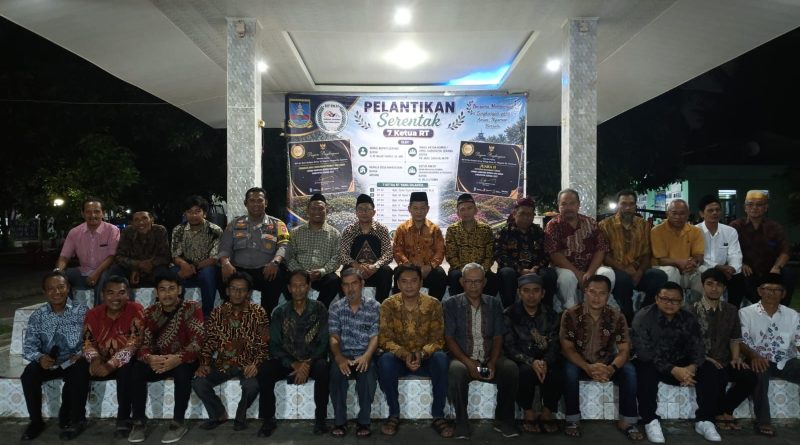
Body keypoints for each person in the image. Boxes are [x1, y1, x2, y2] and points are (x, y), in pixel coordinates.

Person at [632, 282, 721, 443]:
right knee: (644, 369)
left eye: (675, 300)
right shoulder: (643, 317)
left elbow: (698, 346)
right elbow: (644, 353)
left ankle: (705, 420)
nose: (670, 303)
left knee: (709, 369)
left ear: (681, 301)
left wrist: (692, 367)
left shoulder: (688, 317)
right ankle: (650, 420)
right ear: (657, 299)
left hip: (683, 365)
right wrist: (673, 370)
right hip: (656, 364)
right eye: (665, 299)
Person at [560, 275, 640, 439]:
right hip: (579, 361)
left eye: (602, 293)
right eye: (592, 292)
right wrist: (587, 367)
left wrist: (611, 369)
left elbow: (624, 350)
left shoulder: (616, 316)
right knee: (569, 370)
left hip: (606, 364)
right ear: (585, 292)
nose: (596, 297)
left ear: (609, 295)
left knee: (629, 371)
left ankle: (627, 421)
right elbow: (567, 349)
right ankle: (572, 419)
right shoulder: (571, 314)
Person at [444, 263, 518, 439]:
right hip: (463, 358)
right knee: (456, 371)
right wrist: (468, 362)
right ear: (462, 282)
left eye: (477, 281)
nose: (473, 286)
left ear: (484, 282)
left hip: (488, 356)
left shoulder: (494, 303)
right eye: (469, 281)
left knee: (510, 369)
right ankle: (461, 423)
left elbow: (498, 336)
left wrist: (492, 361)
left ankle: (503, 420)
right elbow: (449, 338)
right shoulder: (451, 304)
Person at [128, 271, 204, 443]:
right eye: (162, 289)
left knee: (182, 371)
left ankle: (178, 423)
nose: (167, 294)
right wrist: (150, 359)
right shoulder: (150, 312)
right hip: (159, 360)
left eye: (171, 288)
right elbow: (143, 345)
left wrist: (177, 358)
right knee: (137, 369)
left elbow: (197, 342)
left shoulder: (192, 308)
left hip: (185, 359)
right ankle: (138, 421)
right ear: (156, 292)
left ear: (179, 290)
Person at [377, 264, 451, 437]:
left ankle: (438, 415)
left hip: (425, 358)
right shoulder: (388, 305)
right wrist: (404, 354)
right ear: (397, 283)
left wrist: (421, 353)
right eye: (404, 281)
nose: (409, 285)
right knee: (385, 360)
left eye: (413, 281)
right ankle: (394, 414)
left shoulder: (433, 304)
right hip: (399, 359)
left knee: (441, 358)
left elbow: (438, 339)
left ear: (421, 282)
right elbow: (384, 339)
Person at [192, 272, 268, 431]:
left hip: (247, 363)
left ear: (248, 293)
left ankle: (241, 416)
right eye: (233, 289)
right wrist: (204, 363)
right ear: (227, 291)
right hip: (223, 362)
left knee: (252, 386)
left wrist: (256, 364)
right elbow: (209, 342)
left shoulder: (258, 312)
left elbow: (264, 344)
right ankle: (218, 414)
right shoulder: (217, 313)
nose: (237, 293)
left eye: (242, 290)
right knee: (199, 382)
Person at [257, 270, 330, 436]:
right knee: (266, 369)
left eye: (302, 285)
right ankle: (268, 419)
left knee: (323, 368)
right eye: (294, 286)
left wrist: (307, 364)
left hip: (312, 360)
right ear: (289, 288)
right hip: (287, 361)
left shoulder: (319, 309)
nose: (298, 290)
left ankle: (320, 419)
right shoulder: (280, 312)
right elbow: (274, 345)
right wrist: (294, 363)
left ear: (309, 286)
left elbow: (323, 342)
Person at [20, 271, 89, 441]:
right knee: (29, 374)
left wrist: (81, 354)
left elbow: (92, 339)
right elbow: (29, 346)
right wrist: (40, 358)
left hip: (73, 361)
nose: (56, 292)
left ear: (68, 288)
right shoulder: (38, 315)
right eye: (51, 289)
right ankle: (36, 422)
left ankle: (76, 419)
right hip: (48, 361)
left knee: (81, 368)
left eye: (60, 287)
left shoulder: (82, 311)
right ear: (44, 292)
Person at [686, 269, 756, 433]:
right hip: (701, 361)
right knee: (714, 373)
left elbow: (734, 339)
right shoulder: (691, 310)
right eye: (709, 284)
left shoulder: (731, 310)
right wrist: (704, 358)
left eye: (718, 285)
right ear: (703, 285)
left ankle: (724, 410)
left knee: (749, 377)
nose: (714, 288)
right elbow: (687, 342)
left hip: (724, 359)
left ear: (724, 288)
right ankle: (712, 416)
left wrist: (736, 358)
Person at [82, 275, 144, 439]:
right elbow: (87, 342)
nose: (116, 297)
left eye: (121, 293)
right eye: (110, 293)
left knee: (128, 368)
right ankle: (76, 419)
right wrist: (95, 360)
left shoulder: (136, 309)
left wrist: (110, 365)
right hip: (100, 358)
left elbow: (134, 343)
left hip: (124, 359)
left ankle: (124, 419)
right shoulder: (93, 314)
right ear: (102, 295)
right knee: (77, 368)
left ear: (128, 294)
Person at [739, 273, 800, 437]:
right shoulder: (745, 313)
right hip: (758, 358)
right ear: (760, 291)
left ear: (783, 293)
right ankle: (763, 421)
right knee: (759, 372)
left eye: (777, 290)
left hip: (785, 360)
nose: (771, 293)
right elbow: (741, 341)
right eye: (767, 289)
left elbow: (798, 341)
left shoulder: (792, 315)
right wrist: (754, 356)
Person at [218, 187, 290, 317]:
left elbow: (284, 246)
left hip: (266, 270)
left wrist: (275, 262)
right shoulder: (234, 224)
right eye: (252, 200)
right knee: (220, 272)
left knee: (279, 274)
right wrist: (225, 263)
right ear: (245, 204)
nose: (256, 204)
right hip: (239, 270)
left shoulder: (278, 224)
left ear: (266, 203)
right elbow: (224, 246)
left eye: (260, 200)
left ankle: (266, 317)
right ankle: (230, 317)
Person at [599, 190, 668, 319]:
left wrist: (640, 272)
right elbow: (604, 255)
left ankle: (645, 312)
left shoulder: (643, 225)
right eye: (624, 204)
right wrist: (624, 269)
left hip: (638, 270)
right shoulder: (605, 225)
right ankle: (628, 317)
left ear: (635, 205)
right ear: (618, 205)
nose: (627, 208)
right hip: (616, 269)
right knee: (623, 280)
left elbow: (647, 253)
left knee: (659, 276)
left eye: (631, 204)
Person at [328, 268, 380, 438]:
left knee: (367, 373)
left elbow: (375, 336)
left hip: (365, 353)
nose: (350, 289)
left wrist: (367, 356)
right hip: (343, 353)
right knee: (336, 373)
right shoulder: (336, 308)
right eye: (346, 285)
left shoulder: (374, 307)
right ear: (342, 287)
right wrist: (339, 357)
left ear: (362, 284)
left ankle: (364, 421)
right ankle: (340, 421)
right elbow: (334, 337)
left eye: (354, 284)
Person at [544, 189, 612, 312]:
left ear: (578, 205)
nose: (568, 207)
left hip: (591, 267)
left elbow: (601, 249)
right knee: (567, 278)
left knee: (607, 273)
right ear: (558, 206)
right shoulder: (553, 225)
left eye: (572, 203)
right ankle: (572, 312)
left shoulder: (590, 222)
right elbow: (554, 253)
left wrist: (590, 272)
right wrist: (578, 274)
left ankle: (599, 309)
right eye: (564, 204)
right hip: (565, 268)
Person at [730, 190, 795, 306]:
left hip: (770, 271)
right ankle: (759, 309)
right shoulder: (735, 226)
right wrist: (741, 263)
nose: (754, 208)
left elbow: (785, 251)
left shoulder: (775, 227)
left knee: (789, 273)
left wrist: (777, 267)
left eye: (759, 205)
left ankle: (782, 309)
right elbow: (728, 250)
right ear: (745, 208)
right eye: (750, 204)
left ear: (766, 208)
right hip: (747, 270)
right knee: (741, 276)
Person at [55, 197, 120, 303]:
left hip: (106, 270)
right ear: (83, 214)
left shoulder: (112, 230)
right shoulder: (74, 232)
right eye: (88, 212)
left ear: (103, 213)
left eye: (96, 211)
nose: (92, 215)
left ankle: (98, 310)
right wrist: (58, 271)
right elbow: (64, 256)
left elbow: (112, 256)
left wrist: (96, 273)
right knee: (60, 278)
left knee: (103, 278)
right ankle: (68, 309)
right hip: (84, 270)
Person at [495, 197, 556, 308]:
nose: (526, 217)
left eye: (529, 214)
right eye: (522, 213)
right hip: (513, 270)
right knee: (507, 273)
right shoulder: (504, 231)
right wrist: (520, 270)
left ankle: (546, 310)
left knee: (549, 274)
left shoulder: (539, 232)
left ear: (533, 216)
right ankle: (509, 310)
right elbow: (499, 255)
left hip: (535, 270)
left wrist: (536, 268)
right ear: (514, 214)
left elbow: (546, 254)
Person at [171, 195, 223, 317]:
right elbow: (175, 255)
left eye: (197, 211)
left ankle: (207, 315)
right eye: (190, 212)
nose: (193, 215)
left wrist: (193, 267)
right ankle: (175, 313)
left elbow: (214, 258)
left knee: (208, 273)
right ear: (185, 214)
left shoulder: (215, 230)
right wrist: (184, 265)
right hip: (185, 266)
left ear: (204, 214)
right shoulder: (178, 230)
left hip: (206, 267)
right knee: (171, 274)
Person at [286, 193, 341, 307]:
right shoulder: (296, 232)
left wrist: (321, 271)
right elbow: (289, 256)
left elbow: (336, 258)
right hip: (299, 273)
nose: (317, 212)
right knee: (283, 276)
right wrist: (301, 273)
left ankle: (317, 309)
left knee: (334, 280)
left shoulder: (335, 234)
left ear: (327, 210)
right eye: (313, 208)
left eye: (320, 209)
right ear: (308, 211)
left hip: (322, 275)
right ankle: (293, 309)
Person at [338, 194, 394, 302]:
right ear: (356, 212)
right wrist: (356, 265)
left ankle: (381, 306)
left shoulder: (381, 229)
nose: (364, 212)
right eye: (361, 209)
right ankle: (348, 306)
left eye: (367, 209)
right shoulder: (349, 230)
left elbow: (388, 253)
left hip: (375, 270)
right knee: (346, 271)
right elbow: (342, 254)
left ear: (374, 212)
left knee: (386, 271)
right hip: (355, 269)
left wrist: (375, 266)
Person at [392, 191, 447, 300]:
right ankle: (400, 306)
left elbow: (440, 251)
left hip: (428, 270)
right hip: (408, 268)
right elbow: (398, 251)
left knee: (440, 274)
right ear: (409, 209)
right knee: (399, 272)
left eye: (422, 208)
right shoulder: (402, 229)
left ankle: (433, 306)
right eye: (415, 208)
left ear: (427, 209)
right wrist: (408, 266)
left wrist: (430, 266)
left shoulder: (434, 229)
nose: (419, 211)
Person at [695, 195, 746, 308]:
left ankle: (732, 311)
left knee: (738, 278)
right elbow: (698, 258)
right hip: (702, 269)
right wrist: (717, 267)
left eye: (717, 210)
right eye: (710, 210)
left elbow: (735, 254)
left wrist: (732, 268)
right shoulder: (695, 231)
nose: (715, 213)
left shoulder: (730, 231)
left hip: (725, 271)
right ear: (702, 213)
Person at [445, 194, 498, 297]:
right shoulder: (452, 230)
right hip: (459, 270)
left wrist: (480, 271)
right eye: (462, 209)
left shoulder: (486, 229)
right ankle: (458, 306)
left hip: (482, 269)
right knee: (455, 276)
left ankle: (486, 306)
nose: (466, 212)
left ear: (475, 210)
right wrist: (464, 272)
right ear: (458, 213)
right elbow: (451, 255)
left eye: (469, 208)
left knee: (492, 279)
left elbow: (490, 255)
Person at [650, 199, 704, 298]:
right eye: (674, 213)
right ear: (667, 213)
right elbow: (661, 260)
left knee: (701, 273)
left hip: (686, 269)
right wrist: (680, 263)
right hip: (663, 269)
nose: (678, 217)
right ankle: (676, 303)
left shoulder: (696, 231)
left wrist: (693, 262)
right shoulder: (657, 231)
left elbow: (699, 255)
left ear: (688, 214)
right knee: (672, 271)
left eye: (682, 213)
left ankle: (697, 305)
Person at [109, 211, 171, 289]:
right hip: (131, 267)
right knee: (115, 270)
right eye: (136, 220)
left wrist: (151, 264)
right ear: (132, 223)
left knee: (163, 272)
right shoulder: (127, 231)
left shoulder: (160, 230)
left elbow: (165, 256)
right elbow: (119, 256)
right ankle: (119, 295)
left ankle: (163, 295)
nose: (141, 222)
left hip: (153, 267)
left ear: (152, 220)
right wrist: (137, 265)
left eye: (144, 218)